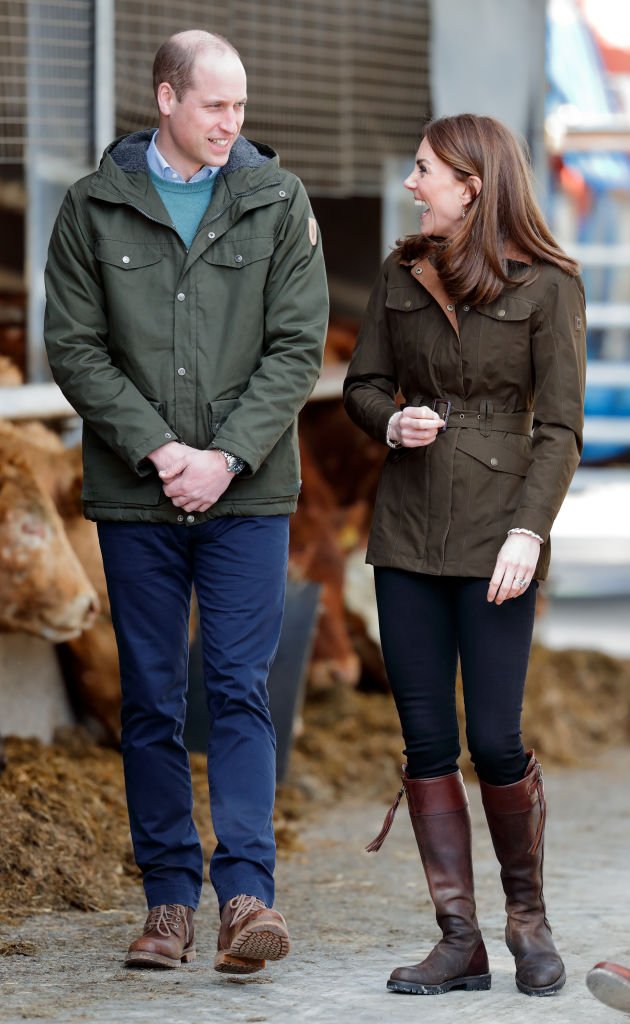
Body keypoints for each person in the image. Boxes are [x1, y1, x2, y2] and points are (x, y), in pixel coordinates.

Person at [44, 30, 328, 974]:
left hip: (247, 496)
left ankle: (247, 895)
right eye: (215, 106)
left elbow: (297, 348)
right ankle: (168, 902)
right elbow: (75, 347)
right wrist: (162, 450)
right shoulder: (93, 208)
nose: (232, 124)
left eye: (240, 107)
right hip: (137, 496)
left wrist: (226, 457)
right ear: (166, 98)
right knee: (152, 700)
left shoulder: (278, 202)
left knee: (241, 690)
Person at [344, 113, 585, 997]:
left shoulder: (550, 284)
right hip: (406, 531)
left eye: (424, 171)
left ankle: (530, 925)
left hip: (499, 536)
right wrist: (388, 418)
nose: (412, 184)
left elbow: (560, 428)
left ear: (473, 184)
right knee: (426, 740)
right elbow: (364, 384)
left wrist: (530, 531)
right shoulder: (401, 272)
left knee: (494, 735)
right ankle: (460, 941)